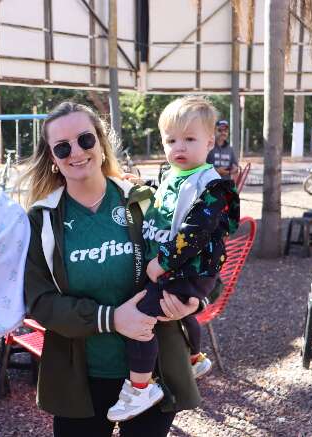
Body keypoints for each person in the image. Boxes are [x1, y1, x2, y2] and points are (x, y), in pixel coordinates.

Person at [22, 101, 202, 437]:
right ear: (52, 159)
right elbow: (39, 301)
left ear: (101, 144)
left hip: (153, 374)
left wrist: (193, 300)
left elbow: (200, 255)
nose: (76, 152)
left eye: (85, 140)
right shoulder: (40, 221)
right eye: (62, 147)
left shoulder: (146, 201)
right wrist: (111, 318)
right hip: (81, 381)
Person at [107, 97, 240, 422]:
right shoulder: (176, 174)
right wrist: (144, 185)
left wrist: (162, 262)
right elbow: (169, 200)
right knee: (178, 314)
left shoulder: (214, 186)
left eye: (189, 139)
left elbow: (195, 231)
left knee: (138, 320)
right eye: (171, 140)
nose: (179, 147)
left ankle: (140, 388)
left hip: (184, 271)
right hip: (177, 271)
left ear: (210, 142)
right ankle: (195, 359)